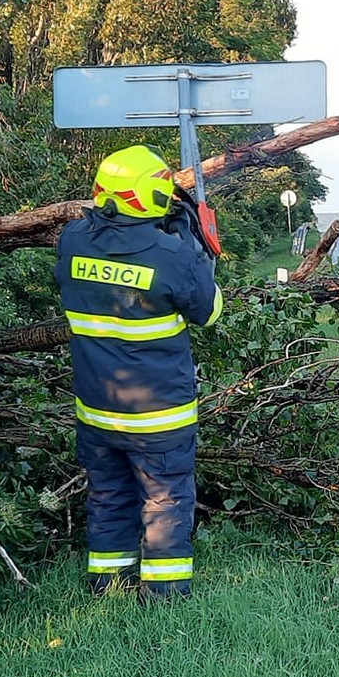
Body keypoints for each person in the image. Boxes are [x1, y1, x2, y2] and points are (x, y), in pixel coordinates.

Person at [55, 144, 222, 600]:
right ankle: (164, 596)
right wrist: (193, 244)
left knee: (109, 496)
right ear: (154, 197)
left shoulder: (71, 240)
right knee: (165, 500)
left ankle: (108, 583)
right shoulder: (175, 257)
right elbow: (209, 312)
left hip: (97, 411)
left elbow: (109, 251)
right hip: (159, 415)